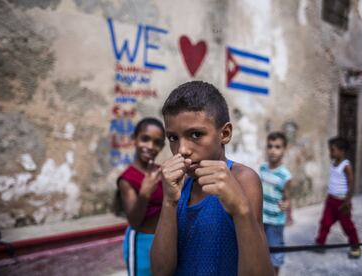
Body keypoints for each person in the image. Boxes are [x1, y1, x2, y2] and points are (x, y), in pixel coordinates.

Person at [150, 81, 274, 276]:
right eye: (173, 138)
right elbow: (159, 271)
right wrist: (168, 202)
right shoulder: (177, 185)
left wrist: (241, 210)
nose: (182, 150)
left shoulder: (243, 180)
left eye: (196, 134)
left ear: (224, 134)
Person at [116, 117, 166, 276]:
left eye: (157, 142)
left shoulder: (161, 172)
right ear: (134, 140)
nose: (150, 146)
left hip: (164, 238)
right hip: (141, 241)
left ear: (162, 146)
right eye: (145, 139)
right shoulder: (127, 178)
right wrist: (145, 193)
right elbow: (134, 221)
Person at [315, 136, 361, 258]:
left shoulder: (346, 166)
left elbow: (351, 185)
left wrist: (347, 202)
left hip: (342, 202)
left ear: (342, 151)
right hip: (331, 200)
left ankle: (355, 245)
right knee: (325, 222)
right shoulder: (333, 163)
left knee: (347, 226)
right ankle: (320, 243)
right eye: (330, 149)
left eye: (333, 150)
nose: (330, 152)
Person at [259, 132, 292, 275]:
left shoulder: (285, 175)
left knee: (275, 252)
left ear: (284, 150)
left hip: (275, 221)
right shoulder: (262, 169)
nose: (273, 150)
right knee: (261, 250)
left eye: (277, 147)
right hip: (261, 218)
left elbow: (287, 198)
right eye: (270, 146)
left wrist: (287, 205)